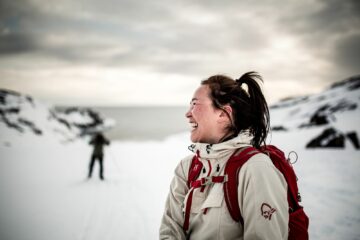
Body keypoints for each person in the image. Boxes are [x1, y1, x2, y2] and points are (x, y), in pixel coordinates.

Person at [160, 72, 289, 239]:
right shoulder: (186, 168)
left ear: (223, 114)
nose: (187, 113)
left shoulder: (255, 169)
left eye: (194, 105)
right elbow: (170, 229)